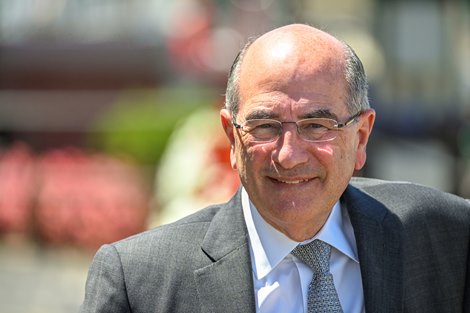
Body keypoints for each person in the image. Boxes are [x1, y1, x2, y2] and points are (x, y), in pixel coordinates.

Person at [79, 24, 470, 313]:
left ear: (361, 137)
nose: (288, 155)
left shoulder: (446, 238)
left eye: (317, 126)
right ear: (231, 138)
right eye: (264, 126)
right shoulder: (140, 282)